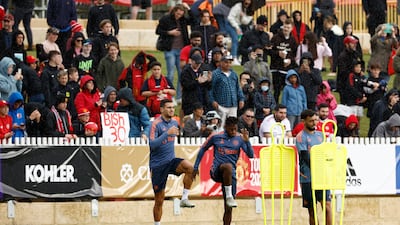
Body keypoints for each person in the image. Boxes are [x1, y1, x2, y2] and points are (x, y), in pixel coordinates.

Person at [193, 116, 254, 225]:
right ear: (225, 127)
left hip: (230, 176)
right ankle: (229, 196)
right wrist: (196, 166)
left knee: (228, 208)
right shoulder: (216, 136)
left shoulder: (239, 138)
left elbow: (251, 155)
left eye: (235, 129)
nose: (233, 131)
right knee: (228, 166)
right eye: (231, 129)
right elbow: (203, 148)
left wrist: (247, 142)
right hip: (217, 171)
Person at [149, 99, 195, 225]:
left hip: (171, 161)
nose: (171, 110)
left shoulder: (175, 122)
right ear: (162, 109)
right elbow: (152, 144)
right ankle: (156, 223)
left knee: (191, 168)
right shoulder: (155, 124)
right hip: (158, 165)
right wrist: (166, 134)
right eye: (168, 107)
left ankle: (184, 198)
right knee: (159, 200)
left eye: (172, 107)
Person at [296, 109, 332, 225]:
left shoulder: (321, 135)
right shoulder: (301, 137)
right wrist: (318, 167)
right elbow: (305, 156)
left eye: (316, 120)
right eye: (311, 121)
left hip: (322, 177)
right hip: (308, 177)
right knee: (312, 210)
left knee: (327, 206)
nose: (314, 123)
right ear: (304, 121)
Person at [155, 4, 190, 103]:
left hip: (181, 50)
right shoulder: (166, 19)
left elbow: (194, 20)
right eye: (177, 12)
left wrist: (189, 9)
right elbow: (158, 31)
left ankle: (179, 96)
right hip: (170, 49)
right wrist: (170, 32)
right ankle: (170, 96)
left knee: (181, 74)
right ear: (174, 11)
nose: (179, 14)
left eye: (181, 13)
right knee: (170, 73)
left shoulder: (184, 20)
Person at [208, 55, 244, 126]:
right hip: (221, 104)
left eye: (230, 62)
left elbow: (238, 88)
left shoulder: (234, 74)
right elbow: (210, 89)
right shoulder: (216, 74)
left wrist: (241, 99)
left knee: (233, 125)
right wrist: (212, 101)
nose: (228, 64)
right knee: (221, 125)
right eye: (226, 62)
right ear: (221, 63)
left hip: (233, 104)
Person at [270, 18, 298, 103]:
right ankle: (275, 105)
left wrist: (290, 59)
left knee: (287, 89)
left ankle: (286, 105)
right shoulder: (276, 38)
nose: (286, 29)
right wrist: (278, 53)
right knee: (276, 90)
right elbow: (269, 51)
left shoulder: (293, 40)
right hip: (275, 68)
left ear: (292, 28)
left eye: (288, 27)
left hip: (286, 69)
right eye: (285, 27)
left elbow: (295, 54)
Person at [226, 0, 254, 65]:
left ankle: (237, 56)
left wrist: (242, 16)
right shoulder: (237, 6)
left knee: (240, 40)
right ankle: (233, 57)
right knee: (235, 39)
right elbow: (230, 18)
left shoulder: (249, 10)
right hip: (230, 24)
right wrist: (237, 28)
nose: (247, 3)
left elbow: (246, 22)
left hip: (238, 26)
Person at [337, 35, 364, 103]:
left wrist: (361, 70)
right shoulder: (343, 56)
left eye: (355, 43)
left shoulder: (356, 54)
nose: (354, 45)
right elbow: (343, 72)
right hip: (344, 85)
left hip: (356, 83)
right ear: (347, 44)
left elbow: (361, 63)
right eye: (352, 43)